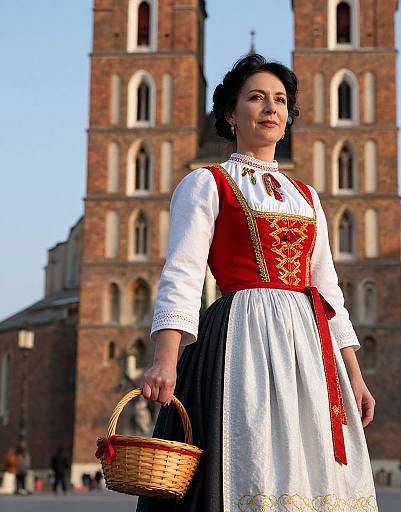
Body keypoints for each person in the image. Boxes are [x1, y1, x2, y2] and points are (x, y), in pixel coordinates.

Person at [136, 54, 378, 512]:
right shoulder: (206, 182)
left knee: (308, 462)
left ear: (288, 119)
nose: (271, 107)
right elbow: (183, 274)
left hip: (309, 346)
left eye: (281, 100)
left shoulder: (307, 196)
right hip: (240, 338)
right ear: (231, 114)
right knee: (250, 452)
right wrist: (165, 360)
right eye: (257, 97)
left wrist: (355, 377)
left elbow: (328, 292)